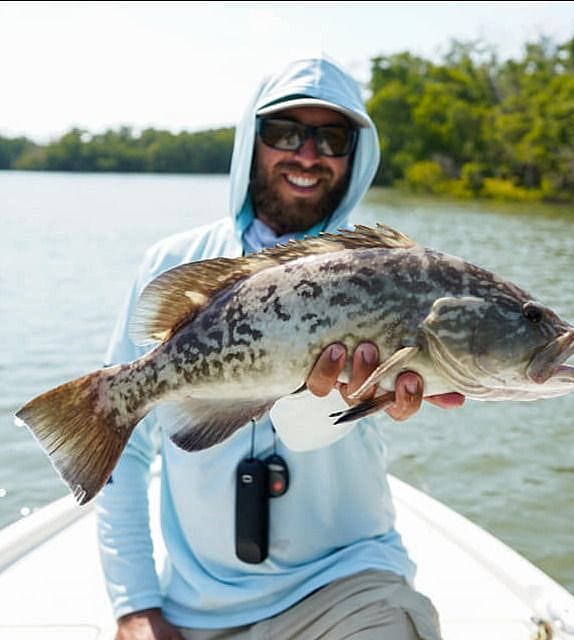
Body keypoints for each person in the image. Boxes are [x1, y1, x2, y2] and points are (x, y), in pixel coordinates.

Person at [96, 55, 464, 640]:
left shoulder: (390, 275)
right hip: (198, 605)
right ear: (252, 141)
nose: (308, 155)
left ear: (356, 155)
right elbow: (125, 451)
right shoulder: (174, 264)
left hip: (349, 582)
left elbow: (306, 428)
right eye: (286, 132)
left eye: (332, 137)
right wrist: (135, 604)